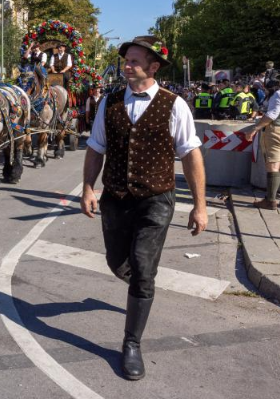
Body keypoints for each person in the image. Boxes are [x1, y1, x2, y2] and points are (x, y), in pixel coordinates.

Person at [81, 35, 206, 381]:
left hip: (156, 200)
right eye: (126, 60)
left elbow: (191, 155)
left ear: (153, 67)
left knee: (143, 266)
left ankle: (131, 342)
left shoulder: (175, 104)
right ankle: (141, 288)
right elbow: (95, 148)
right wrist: (88, 188)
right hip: (116, 198)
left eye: (135, 60)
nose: (128, 65)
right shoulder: (109, 102)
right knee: (117, 262)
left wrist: (200, 206)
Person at [243, 68, 280, 210]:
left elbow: (272, 115)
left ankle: (270, 201)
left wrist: (255, 129)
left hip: (277, 131)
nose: (279, 81)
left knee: (273, 166)